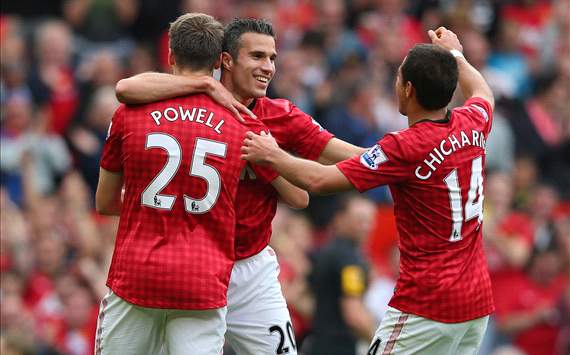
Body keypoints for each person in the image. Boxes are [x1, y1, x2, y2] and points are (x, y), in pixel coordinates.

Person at [115, 18, 364, 354]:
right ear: (226, 61)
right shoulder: (187, 107)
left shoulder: (281, 116)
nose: (268, 68)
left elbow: (339, 159)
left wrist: (403, 158)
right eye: (258, 56)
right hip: (191, 264)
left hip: (249, 268)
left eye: (272, 58)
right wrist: (203, 86)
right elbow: (126, 89)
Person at [242, 27, 496, 354]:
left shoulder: (404, 146)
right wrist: (456, 55)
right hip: (476, 303)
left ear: (407, 89)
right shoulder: (473, 121)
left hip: (427, 304)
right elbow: (482, 91)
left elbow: (319, 180)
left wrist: (273, 155)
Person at [94, 13, 298, 355]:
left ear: (171, 56)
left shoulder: (129, 113)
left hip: (137, 275)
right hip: (202, 281)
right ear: (220, 61)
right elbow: (298, 195)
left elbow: (104, 202)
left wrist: (146, 202)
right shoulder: (243, 123)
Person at [306, 193, 376, 355]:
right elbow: (354, 314)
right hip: (340, 348)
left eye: (370, 220)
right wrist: (383, 345)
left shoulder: (324, 253)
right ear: (339, 219)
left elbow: (302, 297)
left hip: (318, 345)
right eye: (359, 220)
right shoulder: (349, 260)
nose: (366, 226)